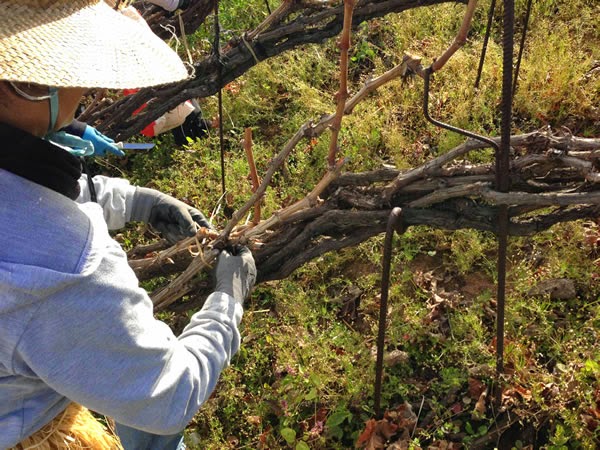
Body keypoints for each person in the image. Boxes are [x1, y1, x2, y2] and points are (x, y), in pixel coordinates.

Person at [0, 2, 256, 450]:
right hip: (19, 430)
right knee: (151, 415)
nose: (92, 89)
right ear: (24, 86)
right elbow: (170, 395)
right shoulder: (64, 269)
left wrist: (139, 202)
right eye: (74, 67)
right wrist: (227, 303)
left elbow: (26, 191)